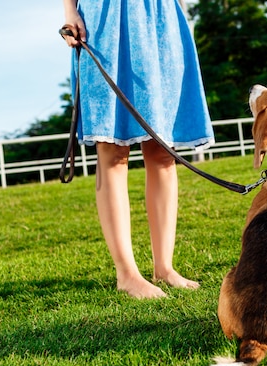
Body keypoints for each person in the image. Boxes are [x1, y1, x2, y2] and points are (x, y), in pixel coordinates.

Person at [61, 0, 214, 299]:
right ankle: (127, 274)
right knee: (112, 149)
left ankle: (164, 268)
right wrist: (70, 11)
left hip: (161, 17)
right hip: (105, 18)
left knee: (162, 152)